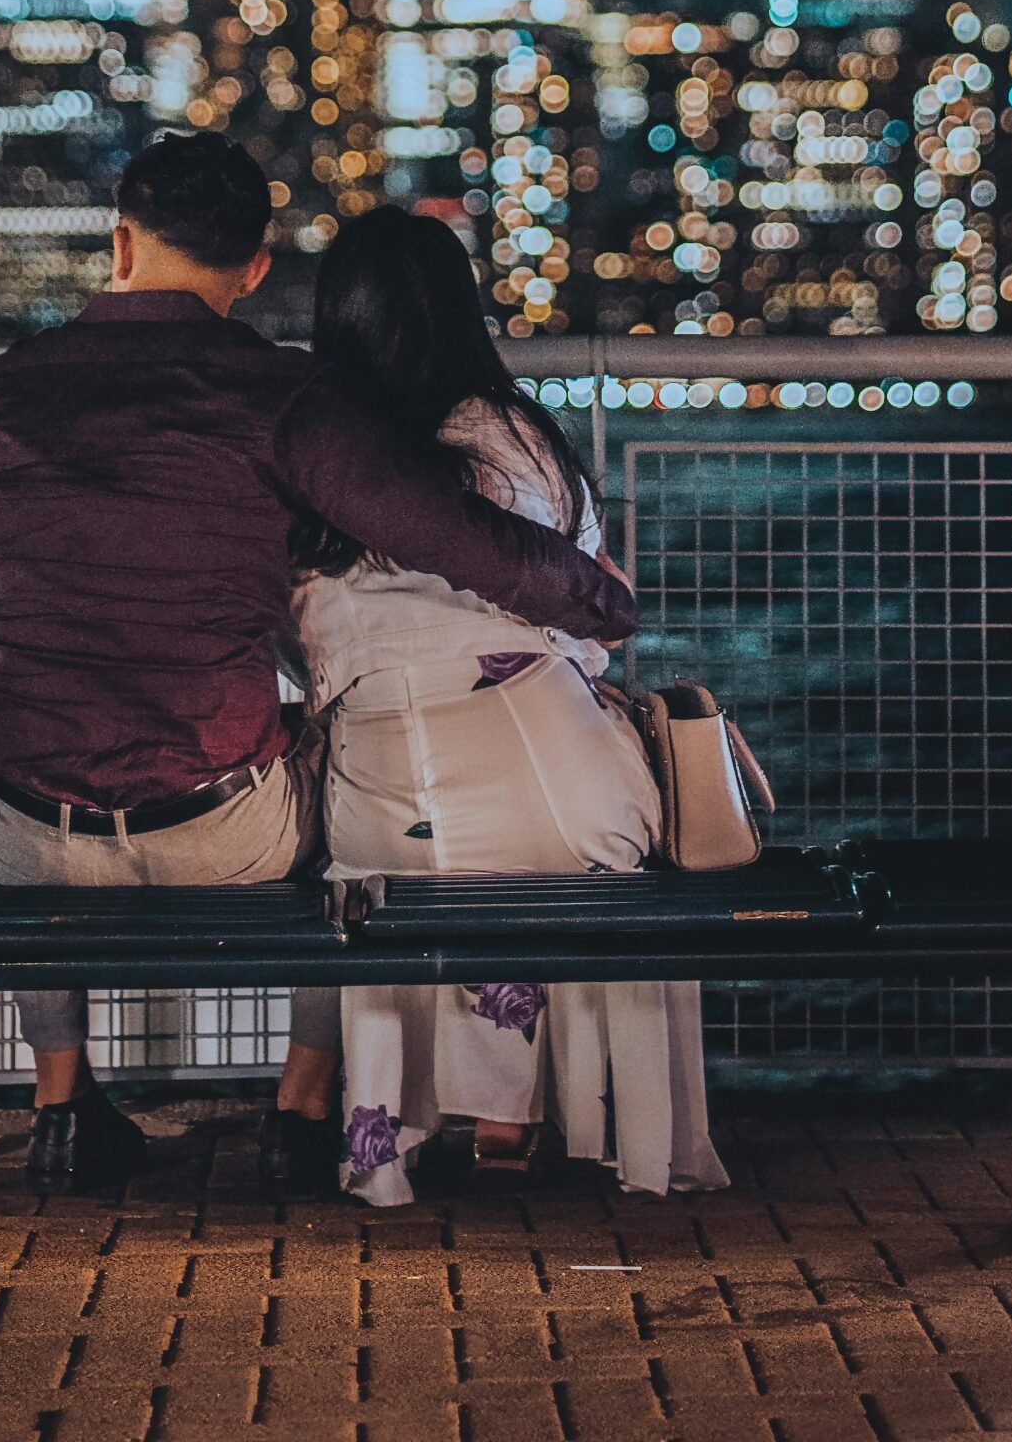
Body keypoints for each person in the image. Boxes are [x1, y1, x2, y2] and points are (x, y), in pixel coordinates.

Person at [0, 130, 637, 1196]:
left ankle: (63, 1106)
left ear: (118, 244)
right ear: (255, 270)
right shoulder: (279, 398)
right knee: (350, 823)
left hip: (21, 830)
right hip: (215, 830)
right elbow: (451, 536)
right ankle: (300, 1111)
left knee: (35, 749)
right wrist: (599, 598)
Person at [292, 207, 727, 1206]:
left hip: (381, 778)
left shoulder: (315, 462)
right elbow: (588, 621)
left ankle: (386, 1145)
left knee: (392, 870)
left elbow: (301, 645)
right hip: (551, 769)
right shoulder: (513, 434)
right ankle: (518, 1125)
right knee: (569, 853)